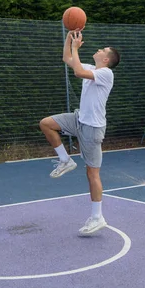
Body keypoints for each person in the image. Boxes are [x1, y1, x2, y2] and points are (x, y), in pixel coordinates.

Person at [39, 30, 120, 237]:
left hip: (92, 129)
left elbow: (77, 72)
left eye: (103, 50)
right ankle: (65, 160)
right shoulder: (93, 67)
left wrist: (76, 48)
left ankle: (97, 217)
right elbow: (68, 59)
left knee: (92, 173)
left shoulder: (105, 73)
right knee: (46, 124)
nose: (99, 49)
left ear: (106, 59)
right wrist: (69, 40)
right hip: (79, 119)